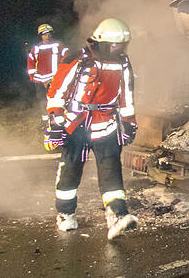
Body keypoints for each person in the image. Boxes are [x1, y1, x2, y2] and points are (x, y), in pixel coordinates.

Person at [43, 18, 139, 239]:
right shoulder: (78, 59)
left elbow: (126, 97)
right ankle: (65, 215)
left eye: (123, 45)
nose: (120, 49)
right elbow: (56, 93)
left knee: (111, 171)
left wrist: (129, 123)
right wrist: (56, 122)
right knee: (70, 171)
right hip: (76, 124)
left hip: (106, 124)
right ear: (102, 42)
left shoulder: (122, 62)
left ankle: (117, 216)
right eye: (116, 45)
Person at [27, 24, 68, 102]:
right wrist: (34, 78)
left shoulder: (58, 45)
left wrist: (62, 74)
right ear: (41, 36)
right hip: (40, 81)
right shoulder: (36, 48)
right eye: (45, 34)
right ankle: (44, 114)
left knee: (56, 98)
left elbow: (66, 56)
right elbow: (31, 64)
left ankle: (57, 113)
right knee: (42, 100)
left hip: (55, 78)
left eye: (49, 34)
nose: (47, 36)